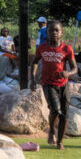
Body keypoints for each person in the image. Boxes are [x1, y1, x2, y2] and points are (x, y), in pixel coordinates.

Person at [32, 19, 76, 151]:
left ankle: (60, 141)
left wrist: (67, 73)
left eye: (57, 30)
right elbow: (35, 62)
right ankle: (51, 130)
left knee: (65, 114)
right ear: (47, 32)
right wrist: (32, 78)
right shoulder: (42, 48)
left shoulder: (67, 49)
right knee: (56, 110)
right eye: (51, 30)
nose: (54, 33)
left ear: (62, 33)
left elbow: (75, 68)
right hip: (48, 83)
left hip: (63, 85)